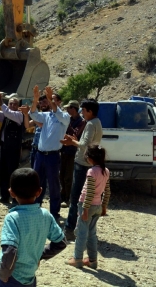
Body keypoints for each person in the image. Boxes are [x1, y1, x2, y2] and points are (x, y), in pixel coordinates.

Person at [0, 168, 68, 286]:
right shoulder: (45, 215)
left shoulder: (12, 218)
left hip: (11, 278)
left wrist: (4, 276)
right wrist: (40, 255)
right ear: (39, 191)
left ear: (11, 192)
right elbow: (61, 242)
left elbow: (10, 251)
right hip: (30, 278)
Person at [61, 99, 103, 241]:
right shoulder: (97, 122)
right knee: (84, 198)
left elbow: (85, 145)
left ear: (90, 111)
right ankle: (81, 229)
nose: (82, 113)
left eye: (84, 111)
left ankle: (69, 229)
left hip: (82, 164)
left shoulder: (91, 124)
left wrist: (72, 142)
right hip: (88, 163)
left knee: (76, 198)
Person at [29, 85, 70, 221]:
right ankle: (35, 209)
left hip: (52, 156)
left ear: (59, 102)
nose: (48, 101)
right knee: (36, 183)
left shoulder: (64, 116)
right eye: (47, 98)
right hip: (40, 155)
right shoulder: (46, 115)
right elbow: (33, 114)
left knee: (53, 185)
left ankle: (54, 213)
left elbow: (57, 112)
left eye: (52, 99)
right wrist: (35, 100)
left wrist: (49, 99)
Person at [66, 146, 111, 269]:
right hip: (97, 206)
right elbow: (107, 191)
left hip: (87, 206)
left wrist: (85, 209)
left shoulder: (91, 172)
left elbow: (90, 192)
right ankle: (92, 260)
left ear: (90, 159)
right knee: (92, 234)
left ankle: (78, 259)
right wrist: (104, 206)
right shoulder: (106, 171)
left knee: (81, 233)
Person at [0, 90, 24, 204]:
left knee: (12, 173)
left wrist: (0, 100)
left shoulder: (19, 115)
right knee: (3, 172)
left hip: (13, 150)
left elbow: (7, 112)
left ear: (18, 106)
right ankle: (4, 196)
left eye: (15, 104)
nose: (12, 105)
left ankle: (15, 199)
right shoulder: (7, 114)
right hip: (5, 147)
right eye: (10, 103)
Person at [60, 100, 86, 208]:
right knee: (61, 175)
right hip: (64, 150)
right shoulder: (68, 120)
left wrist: (66, 128)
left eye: (68, 108)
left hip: (72, 152)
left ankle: (67, 198)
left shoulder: (82, 122)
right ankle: (63, 196)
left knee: (69, 176)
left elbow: (75, 134)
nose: (66, 110)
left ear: (73, 109)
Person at [22, 95, 52, 169]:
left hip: (45, 150)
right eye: (41, 103)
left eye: (44, 102)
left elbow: (43, 125)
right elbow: (27, 125)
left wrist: (32, 115)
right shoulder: (38, 116)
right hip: (35, 148)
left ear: (49, 103)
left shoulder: (52, 116)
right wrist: (26, 115)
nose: (42, 104)